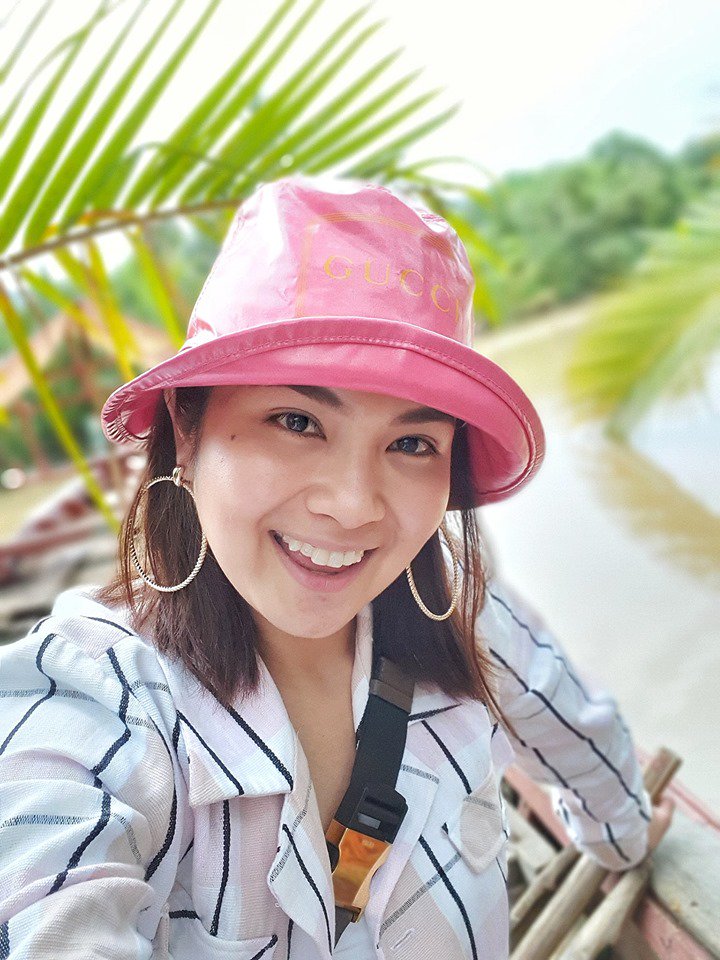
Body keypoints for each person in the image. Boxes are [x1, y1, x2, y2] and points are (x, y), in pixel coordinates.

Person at [0, 176, 672, 960]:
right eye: (297, 421)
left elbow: (579, 732)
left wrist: (622, 839)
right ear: (187, 426)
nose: (354, 506)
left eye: (412, 443)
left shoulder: (457, 609)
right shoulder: (94, 698)